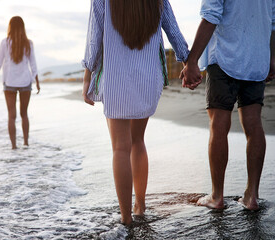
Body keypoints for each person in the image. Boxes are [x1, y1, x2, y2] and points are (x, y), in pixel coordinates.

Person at [82, 0, 189, 225]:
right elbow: (173, 31)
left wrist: (87, 76)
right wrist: (188, 61)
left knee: (120, 148)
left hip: (115, 78)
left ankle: (126, 217)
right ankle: (140, 206)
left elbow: (94, 38)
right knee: (138, 141)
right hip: (147, 78)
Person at [181, 0, 275, 210]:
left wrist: (192, 60)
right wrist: (272, 58)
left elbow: (210, 16)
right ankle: (251, 197)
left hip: (225, 57)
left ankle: (216, 196)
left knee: (218, 125)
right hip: (256, 59)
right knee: (253, 124)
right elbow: (273, 22)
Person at [0, 16, 40, 149]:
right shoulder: (28, 43)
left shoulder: (5, 42)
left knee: (12, 116)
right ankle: (26, 143)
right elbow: (33, 64)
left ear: (10, 26)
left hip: (9, 82)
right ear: (23, 27)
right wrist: (36, 81)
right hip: (25, 82)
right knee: (24, 114)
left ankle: (14, 146)